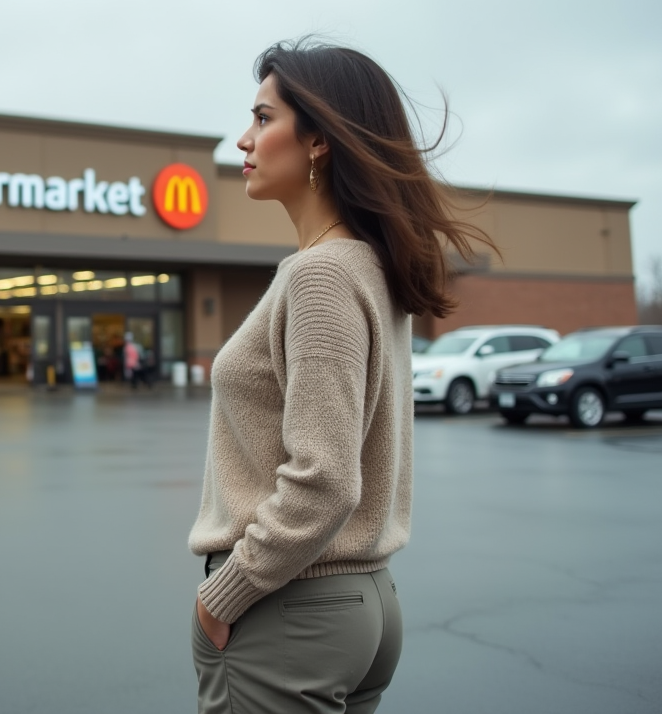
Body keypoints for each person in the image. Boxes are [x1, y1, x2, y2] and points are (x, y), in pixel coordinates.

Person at [188, 39, 493, 713]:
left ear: (319, 140)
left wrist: (223, 596)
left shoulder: (323, 274)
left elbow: (325, 480)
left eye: (264, 118)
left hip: (288, 609)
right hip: (358, 604)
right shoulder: (364, 267)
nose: (244, 139)